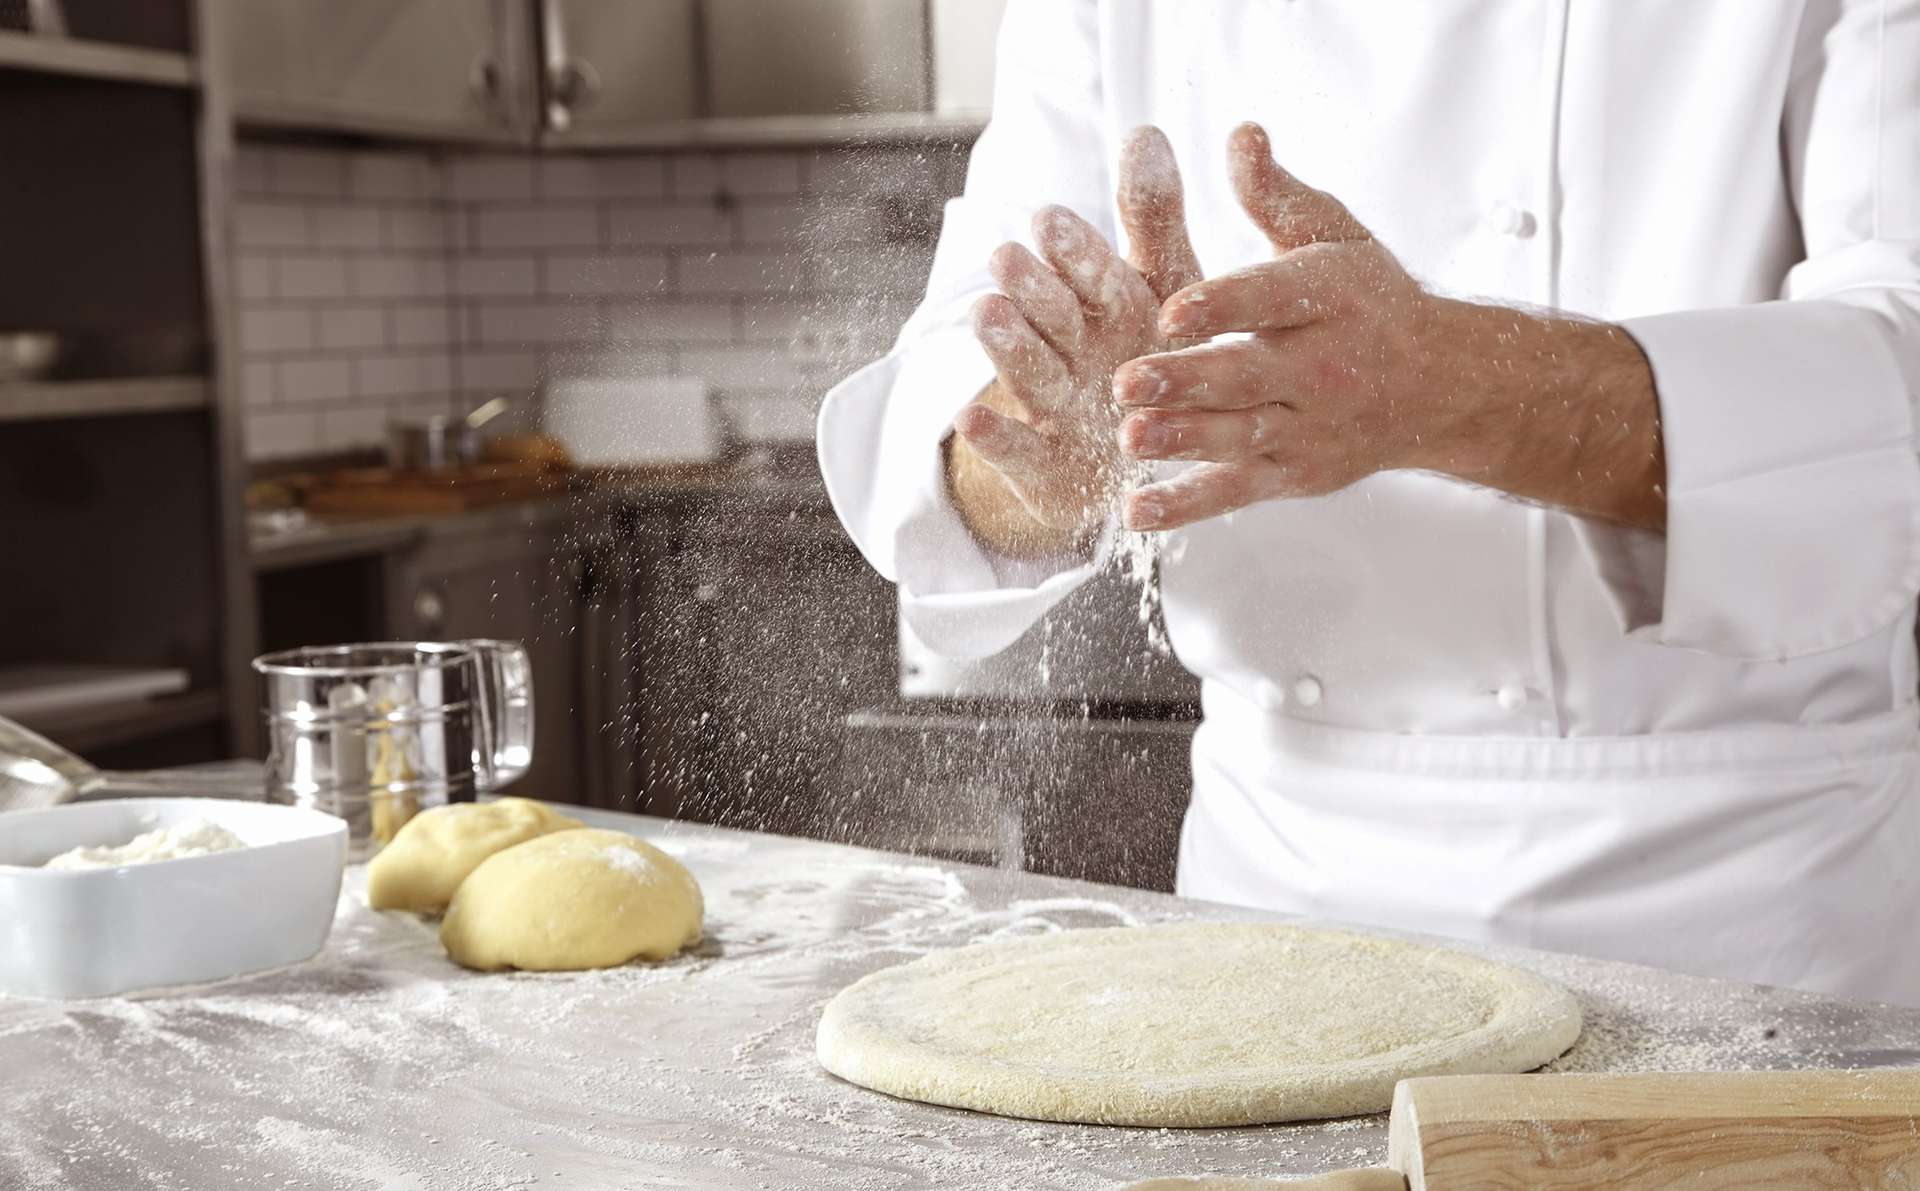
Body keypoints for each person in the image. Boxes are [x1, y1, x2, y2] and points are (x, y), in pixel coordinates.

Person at [816, 1, 1920, 1005]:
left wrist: (1462, 389)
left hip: (1755, 915)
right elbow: (966, 391)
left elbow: (1901, 355)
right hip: (1285, 904)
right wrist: (1045, 457)